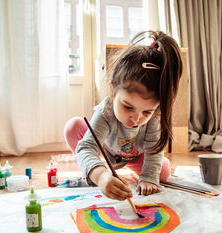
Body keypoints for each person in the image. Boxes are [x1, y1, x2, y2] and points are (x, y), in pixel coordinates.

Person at [64, 31, 183, 200]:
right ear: (112, 90)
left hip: (134, 156)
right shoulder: (106, 112)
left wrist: (149, 179)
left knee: (162, 172)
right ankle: (94, 167)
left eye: (147, 112)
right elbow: (86, 148)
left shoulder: (154, 117)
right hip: (104, 150)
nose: (136, 118)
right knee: (73, 127)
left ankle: (102, 168)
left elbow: (154, 151)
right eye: (128, 107)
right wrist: (101, 176)